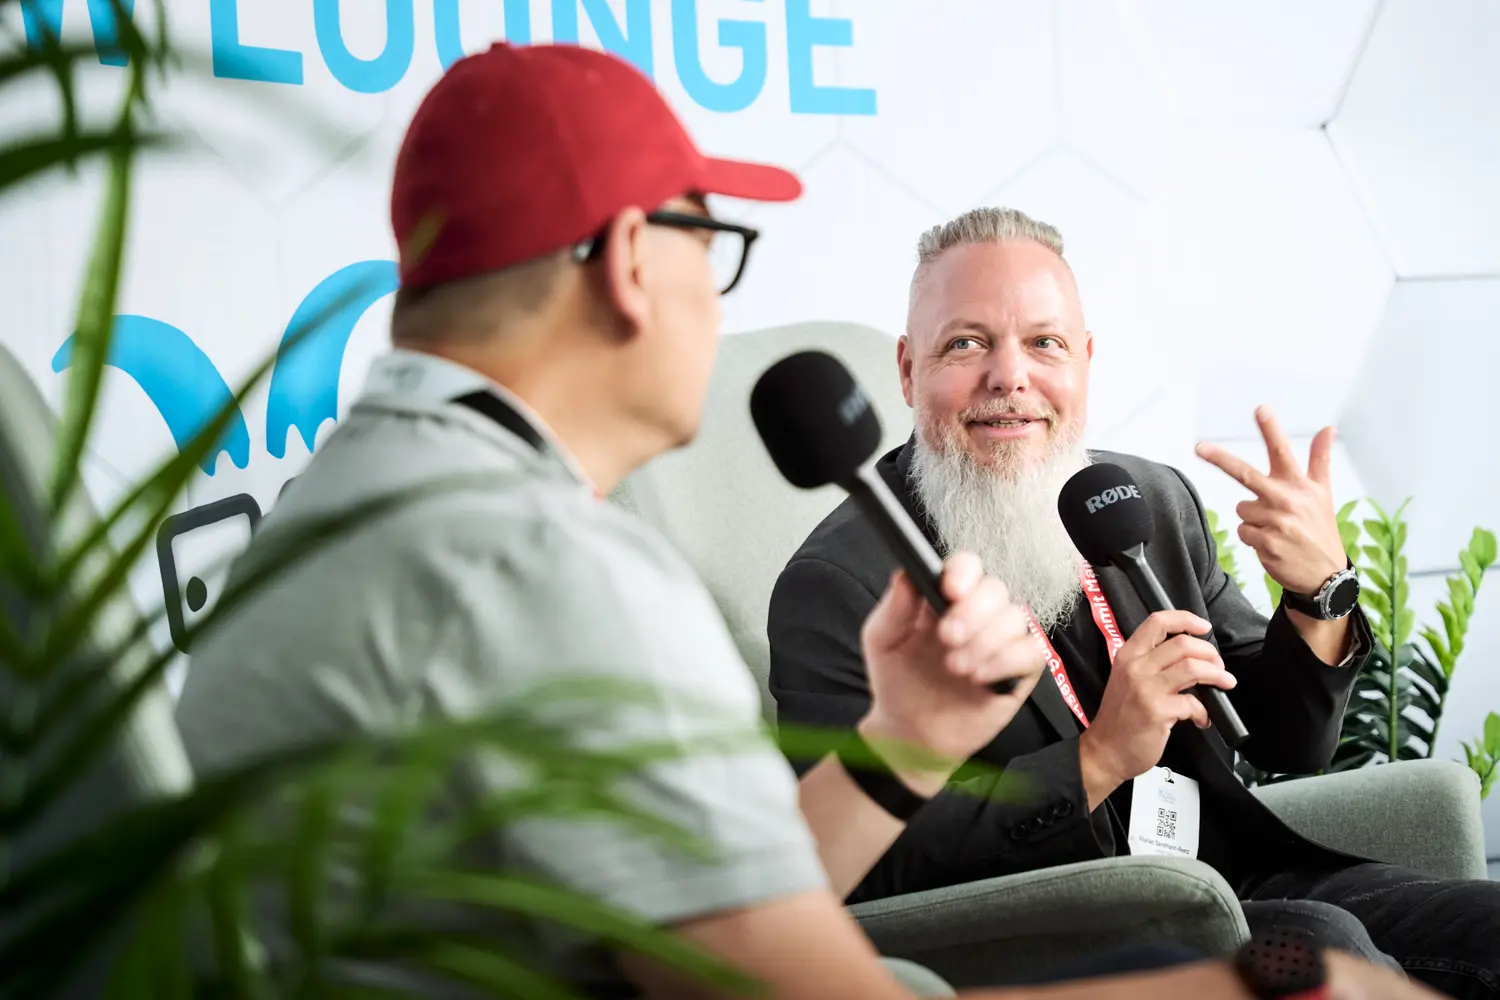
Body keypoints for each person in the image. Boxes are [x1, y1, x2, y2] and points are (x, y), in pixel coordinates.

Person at [175, 43, 1435, 1000]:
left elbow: (703, 912)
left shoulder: (366, 499)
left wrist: (898, 744)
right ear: (629, 261)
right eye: (712, 249)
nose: (719, 311)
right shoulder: (542, 561)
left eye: (1046, 343)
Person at [767, 204, 1500, 999]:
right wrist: (1097, 760)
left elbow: (1288, 741)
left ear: (1084, 359)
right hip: (1051, 930)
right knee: (1320, 951)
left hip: (1236, 878)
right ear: (909, 371)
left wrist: (1316, 592)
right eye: (966, 342)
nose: (1009, 376)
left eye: (1044, 343)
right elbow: (868, 869)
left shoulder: (1140, 498)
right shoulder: (837, 587)